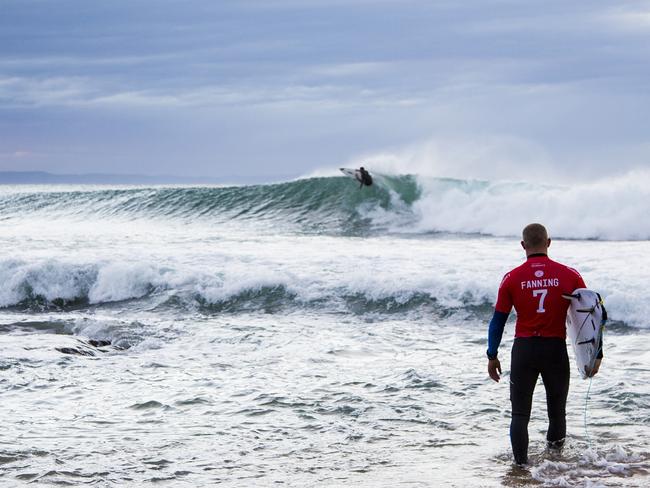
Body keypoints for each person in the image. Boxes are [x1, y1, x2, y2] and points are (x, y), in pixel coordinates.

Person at [486, 223, 602, 465]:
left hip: (524, 350)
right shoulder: (570, 275)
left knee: (519, 414)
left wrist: (492, 354)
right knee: (557, 411)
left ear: (523, 245)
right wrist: (596, 354)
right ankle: (555, 465)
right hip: (554, 350)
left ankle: (520, 467)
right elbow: (592, 315)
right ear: (548, 243)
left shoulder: (512, 277)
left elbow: (498, 321)